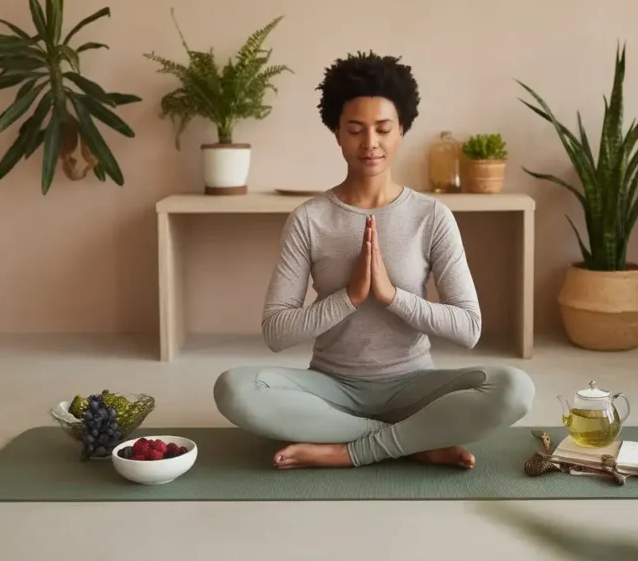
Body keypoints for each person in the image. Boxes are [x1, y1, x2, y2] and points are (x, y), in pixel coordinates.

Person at [213, 51, 535, 470]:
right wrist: (349, 296)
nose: (370, 144)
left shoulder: (431, 216)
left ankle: (347, 448)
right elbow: (276, 331)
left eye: (383, 129)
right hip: (330, 388)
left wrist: (390, 296)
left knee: (514, 388)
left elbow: (469, 328)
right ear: (336, 133)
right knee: (233, 389)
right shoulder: (309, 219)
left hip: (414, 390)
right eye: (355, 130)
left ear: (402, 129)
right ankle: (412, 443)